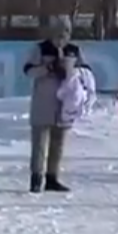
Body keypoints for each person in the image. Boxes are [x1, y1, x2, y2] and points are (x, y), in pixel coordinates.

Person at [22, 17, 81, 193]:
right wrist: (47, 69)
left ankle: (52, 177)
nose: (62, 37)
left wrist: (72, 73)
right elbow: (28, 71)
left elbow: (85, 71)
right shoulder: (41, 49)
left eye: (66, 33)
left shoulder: (73, 50)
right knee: (39, 144)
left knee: (58, 143)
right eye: (58, 33)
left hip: (63, 105)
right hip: (43, 102)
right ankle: (36, 177)